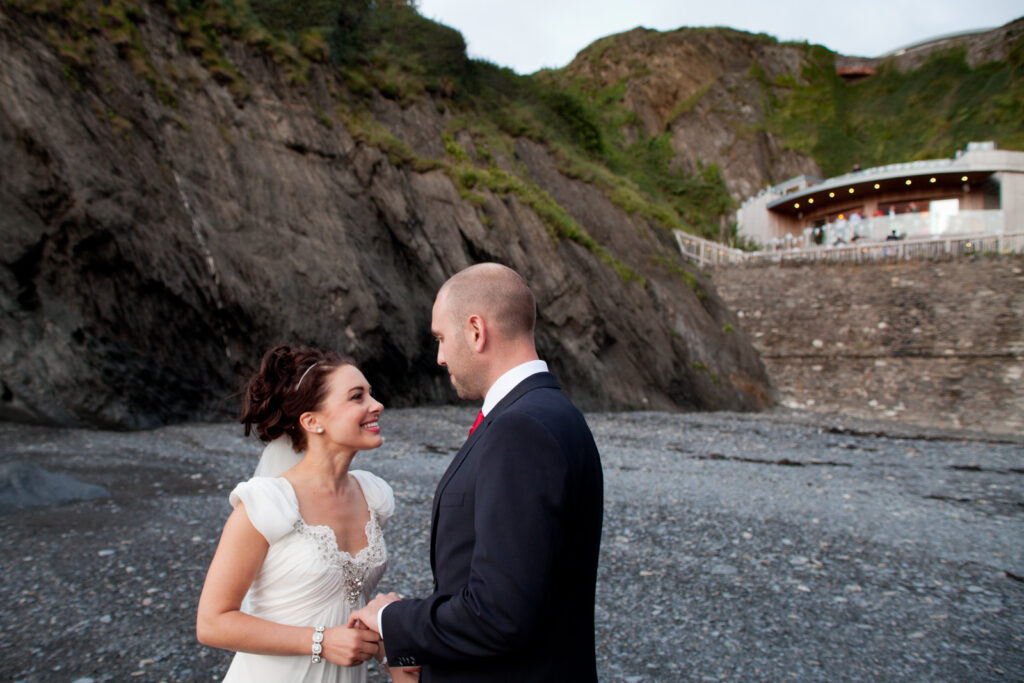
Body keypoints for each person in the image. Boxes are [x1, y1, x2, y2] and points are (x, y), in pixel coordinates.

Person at [348, 263, 605, 681]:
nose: (440, 356)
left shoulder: (521, 430)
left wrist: (392, 621)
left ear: (475, 331)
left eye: (441, 338)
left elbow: (499, 612)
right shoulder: (553, 414)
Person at [197, 345, 416, 683]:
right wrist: (320, 641)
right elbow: (212, 622)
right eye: (357, 397)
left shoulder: (374, 496)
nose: (377, 405)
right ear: (312, 421)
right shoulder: (266, 504)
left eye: (371, 394)